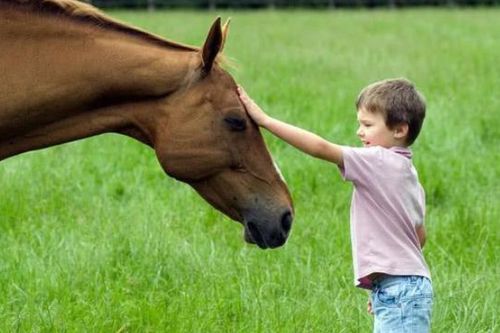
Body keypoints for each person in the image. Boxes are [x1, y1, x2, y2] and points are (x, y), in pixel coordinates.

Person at [238, 78, 433, 333]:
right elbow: (419, 236)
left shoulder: (378, 160)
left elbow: (320, 148)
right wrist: (382, 285)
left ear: (399, 130)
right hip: (406, 286)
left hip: (399, 290)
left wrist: (264, 120)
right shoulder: (411, 177)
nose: (359, 132)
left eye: (367, 125)